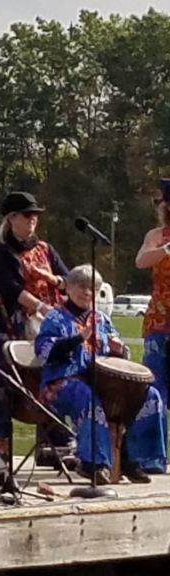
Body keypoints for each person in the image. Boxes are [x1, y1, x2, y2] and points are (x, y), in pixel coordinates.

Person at [36, 265, 166, 484]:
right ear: (68, 287)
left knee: (150, 394)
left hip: (102, 384)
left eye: (92, 289)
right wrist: (79, 338)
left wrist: (120, 349)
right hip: (62, 384)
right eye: (81, 286)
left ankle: (136, 460)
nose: (87, 292)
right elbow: (44, 352)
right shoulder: (55, 318)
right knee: (87, 396)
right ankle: (93, 464)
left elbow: (121, 356)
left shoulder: (102, 320)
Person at [0, 192, 71, 462]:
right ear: (12, 219)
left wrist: (52, 279)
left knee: (52, 382)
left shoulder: (45, 249)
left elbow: (68, 279)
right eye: (27, 215)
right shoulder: (3, 252)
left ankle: (55, 447)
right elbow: (11, 289)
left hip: (48, 330)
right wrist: (41, 308)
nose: (33, 220)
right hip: (13, 328)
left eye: (36, 216)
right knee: (5, 388)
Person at [135, 178, 170, 475]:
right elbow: (140, 261)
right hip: (160, 321)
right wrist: (165, 249)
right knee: (155, 390)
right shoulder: (156, 236)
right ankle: (152, 458)